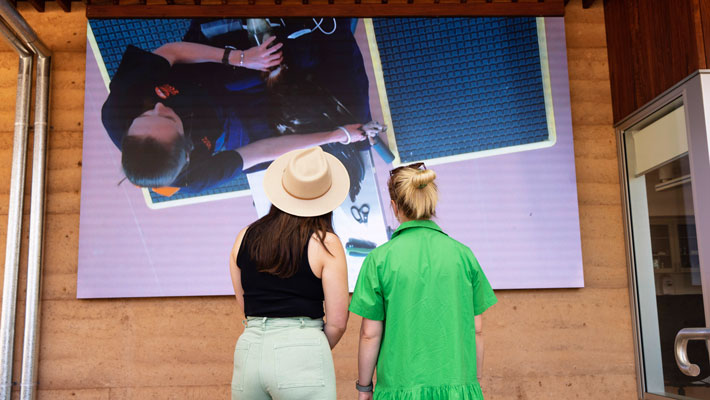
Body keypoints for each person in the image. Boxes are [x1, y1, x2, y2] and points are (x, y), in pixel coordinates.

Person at [101, 37, 368, 195]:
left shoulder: (116, 109)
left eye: (146, 114)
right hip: (223, 128)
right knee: (300, 114)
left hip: (201, 77)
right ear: (188, 150)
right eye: (168, 119)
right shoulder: (197, 176)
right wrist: (337, 135)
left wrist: (240, 58)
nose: (159, 107)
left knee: (290, 58)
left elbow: (172, 52)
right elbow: (259, 152)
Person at [349, 163, 498, 400]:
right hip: (458, 390)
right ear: (431, 203)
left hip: (399, 392)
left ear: (394, 206)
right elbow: (477, 330)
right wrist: (473, 381)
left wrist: (365, 389)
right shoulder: (463, 255)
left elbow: (369, 334)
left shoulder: (379, 260)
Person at [228, 146, 350, 399]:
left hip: (249, 350)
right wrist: (306, 350)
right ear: (326, 198)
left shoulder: (244, 236)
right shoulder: (325, 242)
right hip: (302, 347)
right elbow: (338, 323)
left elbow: (245, 305)